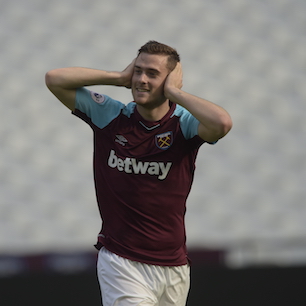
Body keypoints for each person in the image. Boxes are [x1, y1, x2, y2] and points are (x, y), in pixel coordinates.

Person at [45, 40, 232, 306]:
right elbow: (54, 79)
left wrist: (175, 93)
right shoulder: (111, 115)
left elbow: (222, 123)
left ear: (169, 81)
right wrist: (119, 77)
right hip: (122, 262)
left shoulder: (183, 125)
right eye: (138, 70)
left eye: (152, 74)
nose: (141, 79)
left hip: (174, 267)